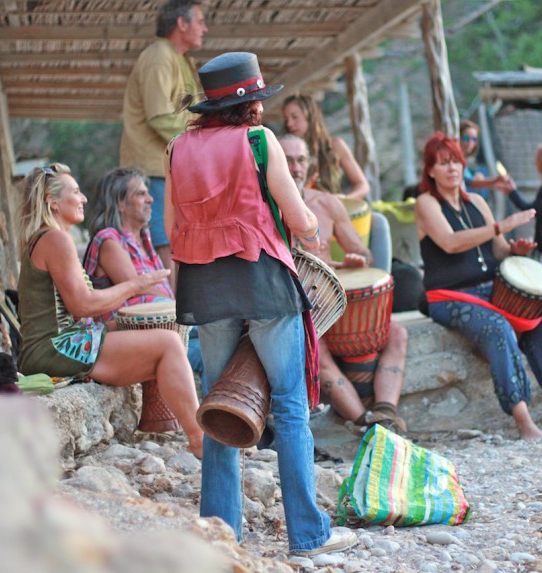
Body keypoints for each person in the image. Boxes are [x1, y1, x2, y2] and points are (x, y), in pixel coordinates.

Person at [164, 52, 357, 556]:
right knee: (291, 407)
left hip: (205, 290)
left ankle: (221, 534)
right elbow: (298, 217)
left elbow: (170, 230)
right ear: (249, 104)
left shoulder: (176, 149)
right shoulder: (257, 141)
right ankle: (307, 534)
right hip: (264, 282)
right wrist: (314, 232)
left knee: (220, 407)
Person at [414, 132, 542, 440]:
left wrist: (516, 250)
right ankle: (524, 423)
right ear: (430, 170)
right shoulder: (425, 203)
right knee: (497, 328)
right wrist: (502, 225)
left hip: (491, 289)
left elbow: (498, 249)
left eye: (456, 162)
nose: (452, 169)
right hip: (449, 296)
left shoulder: (476, 201)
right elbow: (449, 243)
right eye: (443, 163)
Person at [16, 163, 203, 458]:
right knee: (168, 343)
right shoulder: (55, 239)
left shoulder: (47, 237)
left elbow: (78, 309)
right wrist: (136, 285)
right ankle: (200, 438)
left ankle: (172, 423)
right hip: (53, 348)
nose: (84, 199)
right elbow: (83, 304)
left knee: (156, 333)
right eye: (76, 192)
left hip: (60, 342)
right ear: (53, 203)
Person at [279, 134, 409, 433]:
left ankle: (386, 413)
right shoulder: (264, 206)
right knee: (316, 348)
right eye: (287, 160)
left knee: (398, 334)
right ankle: (365, 424)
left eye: (300, 160)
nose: (295, 167)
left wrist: (356, 259)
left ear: (309, 164)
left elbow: (364, 253)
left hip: (336, 303)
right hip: (297, 307)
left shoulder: (327, 203)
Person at [82, 167, 204, 384]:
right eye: (140, 194)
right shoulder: (108, 240)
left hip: (166, 328)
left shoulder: (146, 240)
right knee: (209, 343)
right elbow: (137, 286)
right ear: (120, 203)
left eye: (147, 192)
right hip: (128, 337)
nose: (150, 199)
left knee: (216, 346)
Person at [119, 0, 207, 275]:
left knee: (179, 243)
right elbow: (160, 117)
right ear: (182, 24)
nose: (205, 28)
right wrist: (203, 145)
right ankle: (173, 313)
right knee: (165, 245)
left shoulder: (183, 60)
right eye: (200, 21)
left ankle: (179, 311)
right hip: (153, 171)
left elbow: (191, 112)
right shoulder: (159, 56)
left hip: (171, 169)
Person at [282, 93, 392, 273]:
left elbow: (362, 185)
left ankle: (381, 279)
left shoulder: (335, 146)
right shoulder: (285, 150)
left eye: (295, 117)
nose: (289, 123)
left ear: (311, 116)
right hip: (307, 213)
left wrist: (343, 199)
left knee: (378, 221)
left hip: (333, 210)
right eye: (287, 119)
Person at [458, 119, 512, 200]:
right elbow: (470, 182)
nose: (470, 142)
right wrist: (496, 180)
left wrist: (497, 183)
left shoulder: (462, 159)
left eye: (474, 139)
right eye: (466, 138)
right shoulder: (456, 158)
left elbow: (472, 181)